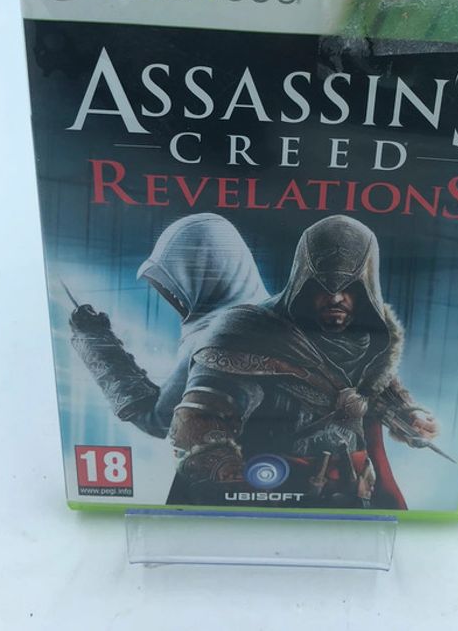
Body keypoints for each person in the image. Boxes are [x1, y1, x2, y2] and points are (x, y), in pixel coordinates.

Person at [167, 214, 443, 510]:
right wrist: (227, 473)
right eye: (322, 286)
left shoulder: (369, 342)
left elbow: (379, 388)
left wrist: (409, 416)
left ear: (366, 290)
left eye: (349, 287)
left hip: (352, 494)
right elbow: (198, 418)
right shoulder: (249, 332)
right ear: (302, 282)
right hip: (266, 491)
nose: (335, 298)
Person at [68, 213, 268, 439]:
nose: (173, 295)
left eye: (181, 278)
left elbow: (159, 421)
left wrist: (96, 341)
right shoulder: (273, 316)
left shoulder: (210, 340)